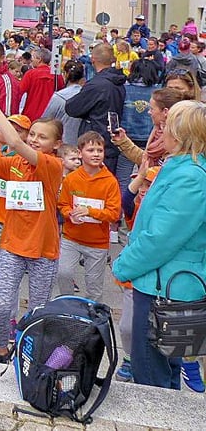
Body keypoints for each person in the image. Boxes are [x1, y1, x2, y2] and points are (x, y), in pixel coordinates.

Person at [113, 101, 206, 390]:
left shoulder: (189, 177)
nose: (160, 130)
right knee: (161, 371)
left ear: (177, 134)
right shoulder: (181, 168)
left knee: (152, 379)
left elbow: (161, 239)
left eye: (166, 126)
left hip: (163, 288)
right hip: (163, 284)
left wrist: (123, 266)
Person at [0, 88, 64, 363]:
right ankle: (1, 350)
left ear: (55, 144)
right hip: (12, 245)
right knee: (0, 306)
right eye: (32, 134)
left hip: (43, 250)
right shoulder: (15, 163)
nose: (34, 140)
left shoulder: (52, 164)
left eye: (41, 137)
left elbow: (16, 141)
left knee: (37, 310)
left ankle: (31, 354)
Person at [56, 132, 121, 301]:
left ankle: (91, 318)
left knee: (94, 286)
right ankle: (67, 303)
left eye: (99, 150)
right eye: (90, 150)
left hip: (97, 243)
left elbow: (114, 214)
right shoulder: (71, 179)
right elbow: (62, 205)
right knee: (63, 272)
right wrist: (70, 214)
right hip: (71, 238)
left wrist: (90, 211)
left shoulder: (110, 181)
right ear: (80, 152)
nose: (96, 154)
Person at [65, 43, 126, 176]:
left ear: (93, 59)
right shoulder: (119, 82)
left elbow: (72, 108)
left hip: (94, 142)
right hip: (110, 140)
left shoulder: (97, 85)